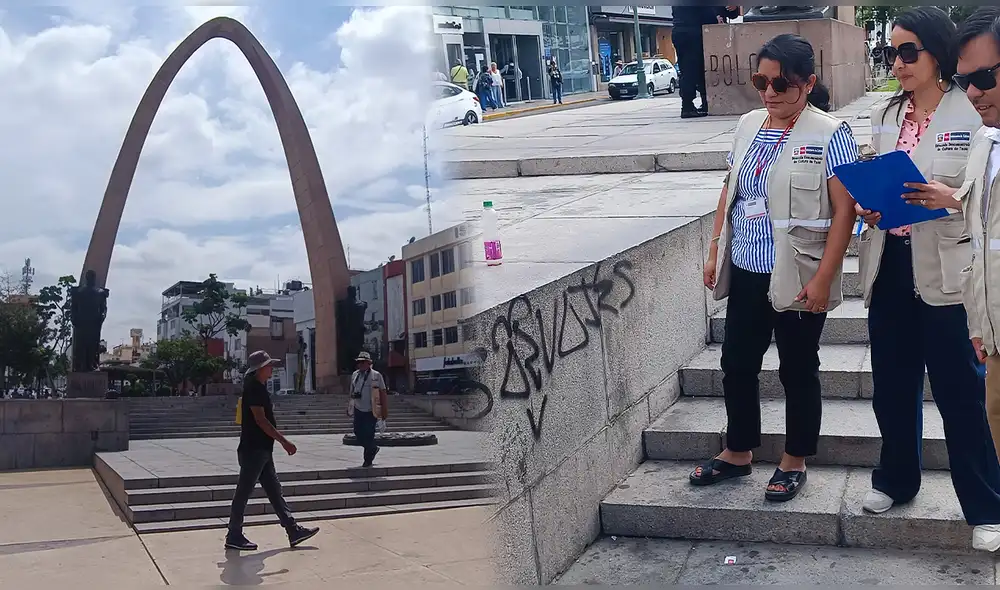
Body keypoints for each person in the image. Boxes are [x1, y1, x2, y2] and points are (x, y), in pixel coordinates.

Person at [852, 7, 1000, 553]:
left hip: (948, 270)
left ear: (937, 53)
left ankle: (986, 505)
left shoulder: (973, 112)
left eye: (908, 51)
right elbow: (883, 177)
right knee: (892, 384)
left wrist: (950, 199)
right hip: (890, 262)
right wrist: (872, 204)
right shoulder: (889, 112)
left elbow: (985, 196)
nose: (899, 61)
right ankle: (896, 478)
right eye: (892, 52)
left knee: (961, 392)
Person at [693, 34, 858, 501]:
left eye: (781, 83)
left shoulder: (828, 133)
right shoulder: (748, 124)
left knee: (798, 367)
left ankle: (794, 459)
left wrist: (828, 276)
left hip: (800, 271)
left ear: (808, 83)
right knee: (737, 363)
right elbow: (731, 190)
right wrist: (713, 250)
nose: (769, 92)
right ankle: (738, 451)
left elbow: (843, 211)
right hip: (747, 266)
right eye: (761, 81)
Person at [954, 5, 1000, 553]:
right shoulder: (986, 143)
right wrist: (979, 319)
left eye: (985, 78)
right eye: (966, 82)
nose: (973, 94)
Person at [226, 350, 319, 551]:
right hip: (255, 448)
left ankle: (292, 530)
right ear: (260, 369)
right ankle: (233, 534)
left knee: (274, 491)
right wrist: (284, 441)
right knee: (243, 491)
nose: (271, 369)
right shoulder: (254, 389)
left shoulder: (257, 387)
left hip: (262, 449)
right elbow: (260, 420)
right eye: (269, 366)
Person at [671, 5, 740, 118]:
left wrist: (733, 9)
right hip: (691, 31)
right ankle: (688, 105)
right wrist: (715, 18)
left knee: (700, 68)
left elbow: (729, 13)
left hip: (695, 31)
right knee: (691, 69)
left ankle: (704, 103)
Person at [348, 351, 389, 467]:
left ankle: (368, 460)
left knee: (368, 434)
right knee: (358, 432)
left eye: (363, 362)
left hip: (372, 410)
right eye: (359, 362)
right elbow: (352, 392)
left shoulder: (376, 375)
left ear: (368, 363)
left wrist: (384, 411)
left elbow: (383, 393)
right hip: (358, 408)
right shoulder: (355, 375)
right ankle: (373, 448)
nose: (360, 364)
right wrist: (349, 407)